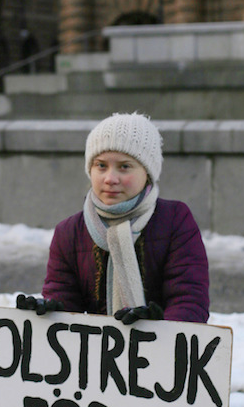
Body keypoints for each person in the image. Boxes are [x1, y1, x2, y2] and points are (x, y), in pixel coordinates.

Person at [40, 112, 209, 324]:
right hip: (96, 355)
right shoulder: (69, 231)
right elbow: (65, 302)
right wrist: (49, 312)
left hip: (160, 353)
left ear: (147, 172)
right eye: (101, 165)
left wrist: (156, 329)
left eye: (125, 166)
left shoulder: (175, 220)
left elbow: (190, 300)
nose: (110, 179)